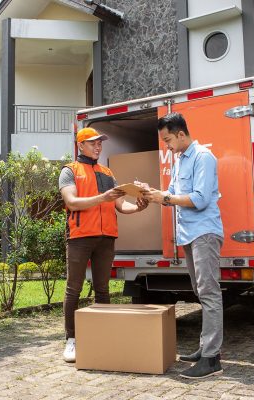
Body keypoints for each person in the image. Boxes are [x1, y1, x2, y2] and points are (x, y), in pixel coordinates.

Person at [143, 112, 225, 379]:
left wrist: (165, 198)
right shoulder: (179, 160)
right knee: (200, 291)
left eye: (168, 140)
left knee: (209, 292)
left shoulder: (203, 157)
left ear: (180, 134)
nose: (166, 146)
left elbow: (200, 199)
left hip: (204, 233)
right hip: (189, 234)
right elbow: (172, 192)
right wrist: (151, 193)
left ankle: (212, 359)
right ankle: (205, 348)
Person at [59, 127, 149, 363]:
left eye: (100, 143)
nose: (98, 146)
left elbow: (121, 205)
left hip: (106, 237)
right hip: (80, 237)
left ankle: (102, 335)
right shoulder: (70, 171)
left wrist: (138, 207)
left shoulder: (108, 173)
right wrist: (102, 197)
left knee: (103, 289)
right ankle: (72, 339)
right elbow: (72, 201)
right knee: (74, 289)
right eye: (93, 143)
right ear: (80, 145)